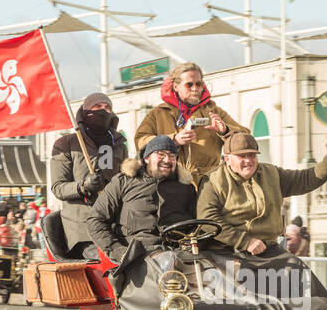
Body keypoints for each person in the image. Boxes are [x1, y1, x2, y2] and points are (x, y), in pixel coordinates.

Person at [196, 129, 327, 256]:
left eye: (252, 155)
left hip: (269, 251)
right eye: (242, 156)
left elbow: (306, 179)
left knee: (305, 281)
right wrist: (245, 242)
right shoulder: (212, 181)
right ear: (227, 159)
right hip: (227, 252)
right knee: (242, 287)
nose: (248, 160)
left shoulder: (271, 173)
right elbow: (208, 219)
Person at [86, 135, 198, 262]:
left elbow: (196, 224)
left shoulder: (186, 188)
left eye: (172, 156)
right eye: (160, 154)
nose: (167, 160)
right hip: (136, 256)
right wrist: (118, 251)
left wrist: (192, 244)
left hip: (178, 254)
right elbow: (95, 220)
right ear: (147, 158)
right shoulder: (123, 182)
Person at [133, 62, 248, 182]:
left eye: (198, 84)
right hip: (170, 182)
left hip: (209, 182)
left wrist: (225, 130)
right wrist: (172, 140)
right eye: (189, 85)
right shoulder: (158, 113)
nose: (195, 89)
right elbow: (140, 141)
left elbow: (246, 137)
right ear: (176, 87)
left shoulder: (214, 111)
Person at [51, 92, 129, 260]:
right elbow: (58, 187)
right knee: (111, 261)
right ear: (86, 111)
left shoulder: (119, 145)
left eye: (107, 108)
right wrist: (82, 186)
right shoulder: (66, 144)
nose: (103, 111)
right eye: (97, 107)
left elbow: (126, 181)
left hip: (115, 224)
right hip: (82, 229)